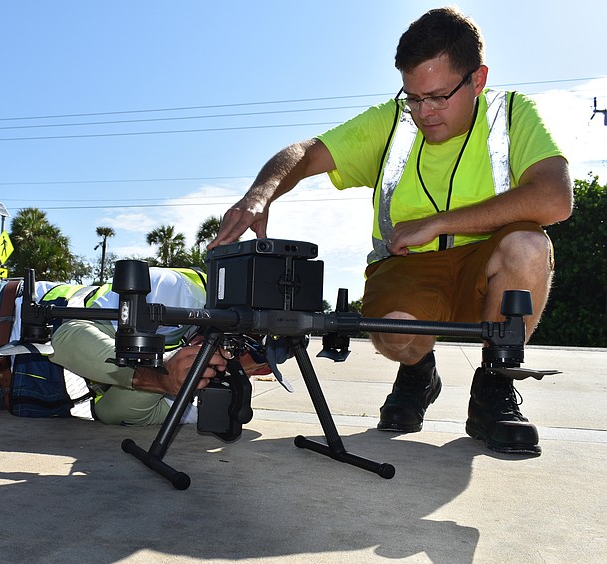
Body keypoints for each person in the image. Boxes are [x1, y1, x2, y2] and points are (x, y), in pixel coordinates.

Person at [208, 7, 573, 455]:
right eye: (413, 97)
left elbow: (555, 199)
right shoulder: (394, 120)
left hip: (487, 264)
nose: (424, 113)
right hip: (408, 267)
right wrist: (259, 195)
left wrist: (439, 222)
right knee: (396, 334)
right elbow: (305, 152)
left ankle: (493, 391)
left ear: (477, 80)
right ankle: (418, 373)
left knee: (529, 245)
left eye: (439, 97)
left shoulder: (512, 113)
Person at [0, 267, 270, 426]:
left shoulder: (195, 397)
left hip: (0, 387)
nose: (254, 373)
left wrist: (170, 387)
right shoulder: (186, 293)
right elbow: (67, 334)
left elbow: (108, 411)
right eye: (257, 359)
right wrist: (159, 372)